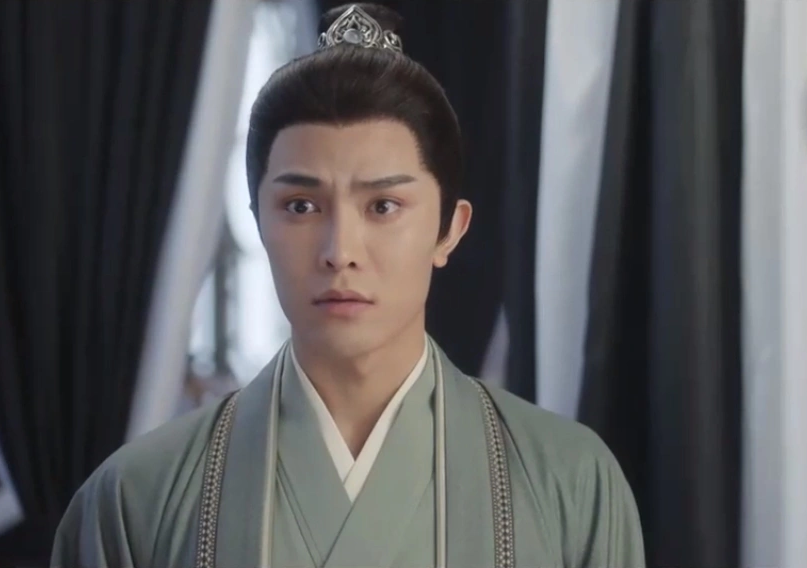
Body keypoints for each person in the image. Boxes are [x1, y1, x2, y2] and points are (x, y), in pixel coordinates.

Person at [51, 4, 645, 567]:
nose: (340, 252)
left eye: (383, 206)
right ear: (258, 222)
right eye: (301, 206)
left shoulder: (571, 483)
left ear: (449, 230)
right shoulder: (136, 499)